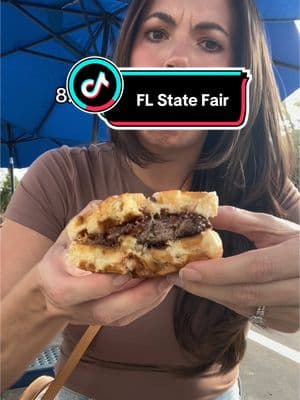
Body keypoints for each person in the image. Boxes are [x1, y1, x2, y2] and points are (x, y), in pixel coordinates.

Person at [1, 0, 299, 399]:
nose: (176, 61)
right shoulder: (60, 175)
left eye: (210, 43)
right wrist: (44, 300)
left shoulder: (264, 187)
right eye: (156, 33)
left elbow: (289, 317)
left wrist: (276, 304)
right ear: (127, 57)